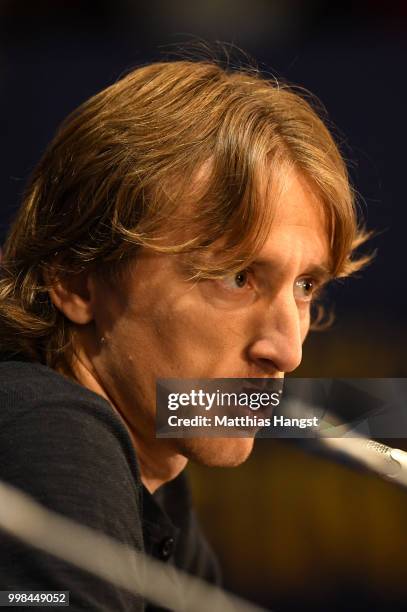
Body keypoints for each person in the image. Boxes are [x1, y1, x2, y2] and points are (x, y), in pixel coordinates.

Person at [0, 59, 369, 610]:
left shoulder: (159, 480)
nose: (286, 350)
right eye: (237, 277)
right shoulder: (54, 435)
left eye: (306, 285)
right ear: (77, 282)